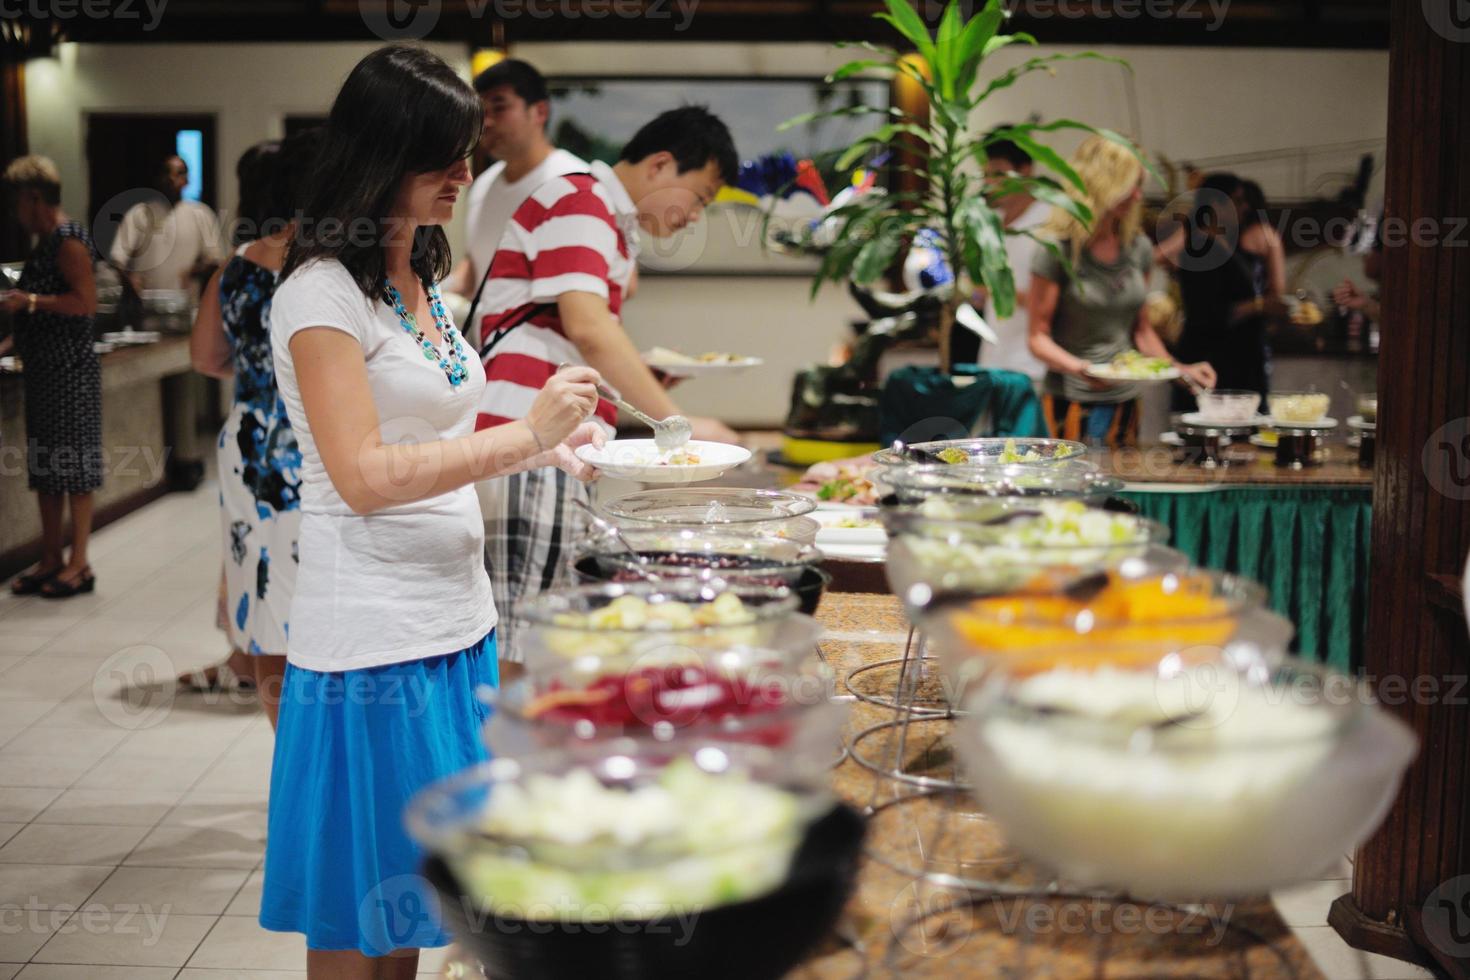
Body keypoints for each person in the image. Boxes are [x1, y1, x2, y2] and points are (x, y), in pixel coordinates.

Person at [260, 45, 604, 978]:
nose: (466, 173)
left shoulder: (417, 279)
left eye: (467, 152)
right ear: (379, 159)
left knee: (417, 903)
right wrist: (525, 436)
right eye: (442, 158)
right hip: (372, 640)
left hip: (455, 622)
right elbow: (366, 473)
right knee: (354, 911)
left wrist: (555, 440)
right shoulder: (319, 294)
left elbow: (446, 411)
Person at [474, 105, 741, 668]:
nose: (695, 216)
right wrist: (676, 429)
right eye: (700, 198)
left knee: (537, 625)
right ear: (661, 165)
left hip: (545, 436)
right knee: (524, 634)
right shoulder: (584, 200)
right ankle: (506, 748)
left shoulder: (598, 210)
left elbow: (574, 332)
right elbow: (589, 329)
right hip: (528, 432)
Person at [182, 130, 321, 724]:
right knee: (311, 596)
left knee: (259, 591)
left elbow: (205, 358)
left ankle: (275, 728)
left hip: (247, 438)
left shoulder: (235, 267)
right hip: (309, 443)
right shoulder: (326, 264)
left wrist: (255, 367)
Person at [1027, 136, 1215, 446]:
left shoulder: (1136, 247)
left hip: (1124, 403)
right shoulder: (1057, 248)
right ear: (1104, 184)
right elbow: (1037, 338)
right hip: (1069, 401)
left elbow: (1141, 331)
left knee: (1122, 487)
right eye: (1132, 185)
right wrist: (1081, 368)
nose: (1139, 195)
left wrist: (1179, 370)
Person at [2, 155, 103, 599]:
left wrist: (31, 303)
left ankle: (79, 562)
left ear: (34, 197)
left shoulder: (68, 240)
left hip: (71, 375)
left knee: (75, 469)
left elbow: (84, 303)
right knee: (46, 470)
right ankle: (50, 557)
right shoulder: (43, 242)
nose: (14, 213)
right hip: (44, 372)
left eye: (17, 202)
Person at [441, 58, 586, 321]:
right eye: (481, 112)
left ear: (539, 112)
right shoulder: (483, 185)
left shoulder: (576, 182)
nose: (488, 123)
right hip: (489, 346)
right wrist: (431, 296)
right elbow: (477, 266)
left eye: (499, 108)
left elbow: (620, 281)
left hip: (556, 349)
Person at [1164, 173, 1286, 411]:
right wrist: (1260, 306)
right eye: (1238, 201)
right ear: (1216, 204)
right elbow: (1207, 314)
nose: (1245, 207)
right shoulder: (1200, 251)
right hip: (1213, 363)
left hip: (1240, 362)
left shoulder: (1230, 247)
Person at [964, 129, 1050, 380]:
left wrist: (999, 291)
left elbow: (1051, 301)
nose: (991, 183)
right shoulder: (990, 224)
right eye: (987, 175)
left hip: (1031, 366)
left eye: (999, 174)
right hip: (992, 360)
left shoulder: (1047, 222)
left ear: (1024, 171)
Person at [109, 154, 225, 299]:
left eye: (179, 173)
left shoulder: (201, 214)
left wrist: (193, 272)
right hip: (146, 307)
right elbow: (117, 259)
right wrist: (130, 279)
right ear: (159, 177)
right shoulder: (140, 213)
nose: (172, 178)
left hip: (186, 306)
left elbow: (216, 261)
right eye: (167, 172)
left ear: (187, 180)